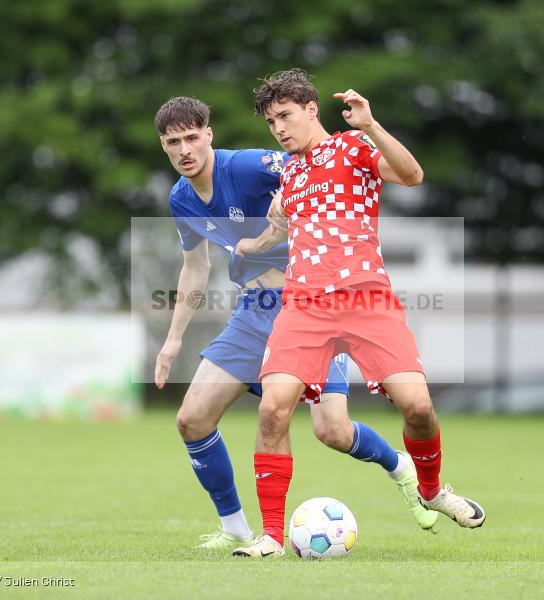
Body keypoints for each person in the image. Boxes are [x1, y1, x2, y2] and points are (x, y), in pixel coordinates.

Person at [153, 96, 438, 549]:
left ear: (209, 135)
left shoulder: (246, 166)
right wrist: (172, 341)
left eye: (193, 138)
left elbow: (308, 158)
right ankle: (237, 529)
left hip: (310, 304)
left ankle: (399, 467)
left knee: (333, 431)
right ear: (164, 147)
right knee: (191, 419)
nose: (185, 149)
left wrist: (292, 199)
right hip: (254, 313)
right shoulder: (181, 198)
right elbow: (195, 266)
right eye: (174, 142)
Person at [232, 70, 485, 558]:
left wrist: (371, 125)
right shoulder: (289, 171)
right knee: (271, 408)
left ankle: (430, 489)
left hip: (366, 297)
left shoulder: (353, 147)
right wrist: (254, 243)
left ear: (311, 110)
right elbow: (283, 223)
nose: (279, 128)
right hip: (305, 304)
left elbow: (412, 175)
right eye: (270, 121)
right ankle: (270, 536)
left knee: (418, 407)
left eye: (285, 116)